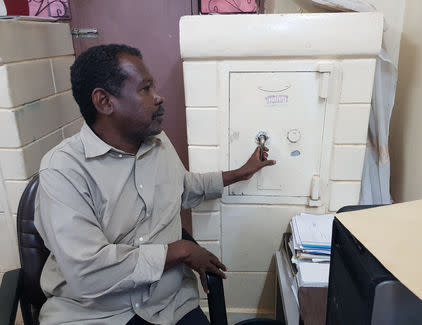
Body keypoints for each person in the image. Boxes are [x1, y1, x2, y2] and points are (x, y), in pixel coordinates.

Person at [34, 44, 275, 325]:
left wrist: (240, 174)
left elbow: (181, 188)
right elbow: (89, 272)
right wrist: (182, 251)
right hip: (97, 314)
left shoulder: (157, 143)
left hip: (169, 305)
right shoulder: (63, 170)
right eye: (145, 89)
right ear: (104, 102)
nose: (158, 97)